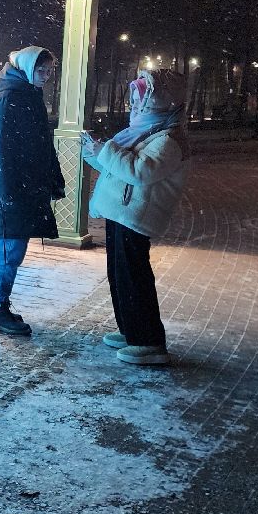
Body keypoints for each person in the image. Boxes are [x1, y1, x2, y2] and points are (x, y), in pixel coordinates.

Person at [81, 68, 191, 366]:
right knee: (120, 275)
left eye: (142, 97)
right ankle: (131, 331)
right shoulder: (145, 132)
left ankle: (148, 341)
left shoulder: (169, 139)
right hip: (122, 213)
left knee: (134, 277)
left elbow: (140, 172)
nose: (136, 103)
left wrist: (105, 150)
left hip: (136, 216)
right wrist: (95, 151)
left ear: (161, 101)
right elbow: (117, 166)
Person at [0, 46, 65, 335]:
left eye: (50, 71)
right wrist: (7, 194)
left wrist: (54, 180)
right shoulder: (9, 96)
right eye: (42, 71)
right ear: (29, 67)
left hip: (21, 185)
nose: (47, 77)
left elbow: (41, 141)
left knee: (8, 246)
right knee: (9, 247)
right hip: (14, 187)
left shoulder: (24, 91)